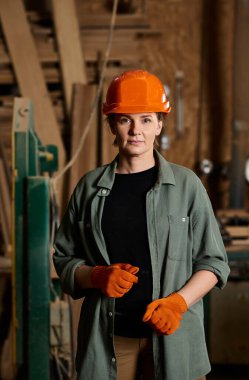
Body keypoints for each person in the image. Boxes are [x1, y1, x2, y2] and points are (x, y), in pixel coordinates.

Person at [53, 69, 230, 380]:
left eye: (146, 119)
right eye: (125, 119)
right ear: (110, 124)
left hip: (174, 339)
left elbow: (213, 263)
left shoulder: (187, 185)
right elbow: (65, 259)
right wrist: (95, 276)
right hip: (108, 339)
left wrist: (178, 303)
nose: (136, 130)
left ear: (159, 124)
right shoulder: (88, 188)